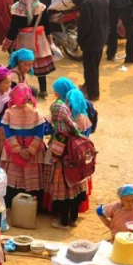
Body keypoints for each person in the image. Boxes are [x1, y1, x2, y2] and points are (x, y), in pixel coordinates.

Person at [0, 84, 50, 206]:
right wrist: (30, 150)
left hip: (12, 151)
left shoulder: (8, 112)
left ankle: (11, 204)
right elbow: (39, 134)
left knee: (12, 177)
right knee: (32, 179)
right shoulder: (37, 113)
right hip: (34, 152)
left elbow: (8, 133)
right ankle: (33, 206)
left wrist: (17, 149)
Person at [2, 0, 54, 95]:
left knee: (21, 64)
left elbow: (13, 31)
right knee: (40, 64)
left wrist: (6, 44)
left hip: (23, 41)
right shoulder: (41, 8)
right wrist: (50, 41)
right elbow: (47, 27)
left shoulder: (17, 10)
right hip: (39, 40)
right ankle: (43, 90)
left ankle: (19, 87)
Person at [45, 98, 88, 229]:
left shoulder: (60, 133)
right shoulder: (74, 127)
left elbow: (56, 154)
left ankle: (63, 223)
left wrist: (51, 155)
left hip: (64, 170)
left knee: (66, 198)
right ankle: (73, 220)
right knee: (75, 196)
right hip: (77, 169)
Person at [78, 0, 109, 101]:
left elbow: (84, 25)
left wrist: (80, 40)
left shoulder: (88, 2)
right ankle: (88, 87)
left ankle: (93, 94)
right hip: (101, 38)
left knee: (90, 69)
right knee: (94, 67)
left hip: (90, 41)